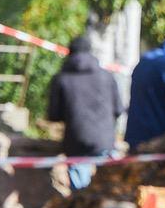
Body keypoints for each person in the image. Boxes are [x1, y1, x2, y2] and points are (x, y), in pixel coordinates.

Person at [45, 34, 122, 190]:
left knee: (80, 192)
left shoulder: (61, 79)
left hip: (76, 141)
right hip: (105, 141)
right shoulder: (106, 76)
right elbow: (119, 110)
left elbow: (53, 115)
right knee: (109, 188)